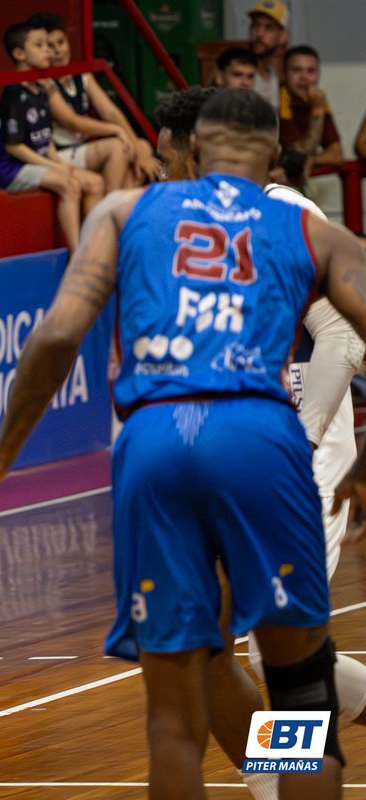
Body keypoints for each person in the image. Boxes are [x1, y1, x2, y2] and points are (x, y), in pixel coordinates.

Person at [0, 88, 365, 798]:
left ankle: (266, 775)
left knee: (173, 717)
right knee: (298, 691)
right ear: (274, 153)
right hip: (261, 442)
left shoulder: (124, 210)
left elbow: (55, 336)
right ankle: (283, 769)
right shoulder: (310, 229)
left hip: (157, 438)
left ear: (194, 149)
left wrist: (3, 451)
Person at [155, 84, 366, 800]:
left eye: (165, 159)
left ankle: (282, 784)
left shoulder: (285, 215)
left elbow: (342, 335)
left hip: (302, 453)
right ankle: (277, 779)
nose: (158, 173)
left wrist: (298, 445)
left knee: (269, 643)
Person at [0, 21, 103, 252]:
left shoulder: (40, 90)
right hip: (10, 168)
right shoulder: (14, 92)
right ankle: (78, 254)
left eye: (48, 45)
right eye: (39, 45)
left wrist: (60, 163)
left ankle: (94, 247)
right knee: (69, 184)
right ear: (19, 54)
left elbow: (44, 139)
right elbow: (14, 147)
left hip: (37, 162)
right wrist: (56, 168)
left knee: (95, 182)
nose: (48, 50)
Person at [29, 11, 150, 193]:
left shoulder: (81, 75)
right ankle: (110, 205)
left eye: (61, 42)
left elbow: (110, 112)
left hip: (81, 149)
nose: (58, 51)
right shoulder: (44, 83)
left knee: (141, 147)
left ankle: (122, 206)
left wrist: (137, 146)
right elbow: (71, 121)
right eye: (50, 46)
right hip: (58, 153)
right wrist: (116, 130)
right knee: (118, 147)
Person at [273, 45, 342, 189]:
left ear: (319, 74)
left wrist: (313, 159)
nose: (304, 77)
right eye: (296, 70)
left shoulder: (317, 99)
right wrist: (317, 109)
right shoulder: (279, 97)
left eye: (311, 71)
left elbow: (337, 155)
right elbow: (297, 153)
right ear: (283, 74)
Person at [247, 0, 288, 110]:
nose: (259, 34)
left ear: (283, 36)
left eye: (269, 28)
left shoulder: (279, 76)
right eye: (256, 25)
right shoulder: (236, 72)